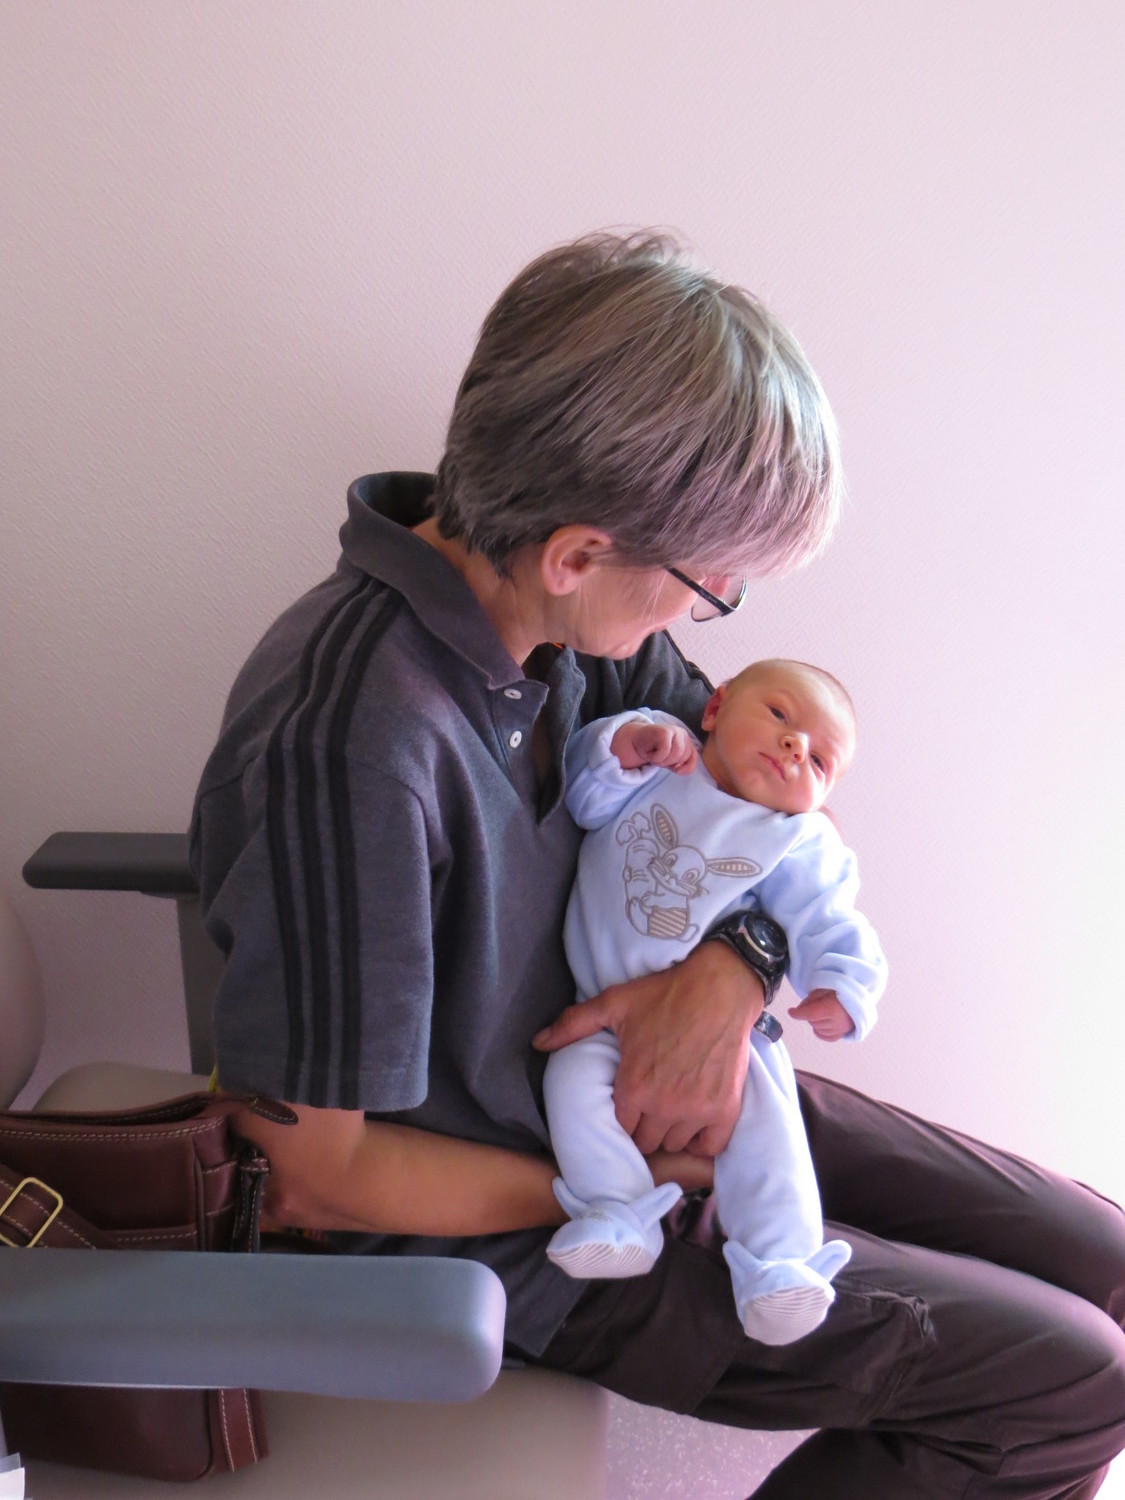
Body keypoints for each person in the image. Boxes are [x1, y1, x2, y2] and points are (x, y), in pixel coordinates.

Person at [190, 231, 1125, 1497]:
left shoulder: (577, 628)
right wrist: (613, 1181)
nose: (704, 608)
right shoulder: (354, 743)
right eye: (705, 584)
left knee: (1105, 1261)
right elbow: (315, 1179)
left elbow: (769, 810)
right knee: (1072, 1386)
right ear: (578, 553)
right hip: (502, 1222)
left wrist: (735, 971)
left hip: (666, 1068)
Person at [545, 659, 886, 1347]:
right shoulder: (660, 759)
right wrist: (626, 746)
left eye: (820, 761)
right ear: (714, 709)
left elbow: (829, 918)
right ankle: (617, 1212)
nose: (795, 747)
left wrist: (846, 985)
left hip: (731, 1042)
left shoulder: (797, 838)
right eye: (781, 716)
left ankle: (781, 1265)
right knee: (569, 1089)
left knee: (771, 1139)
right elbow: (584, 798)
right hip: (599, 1014)